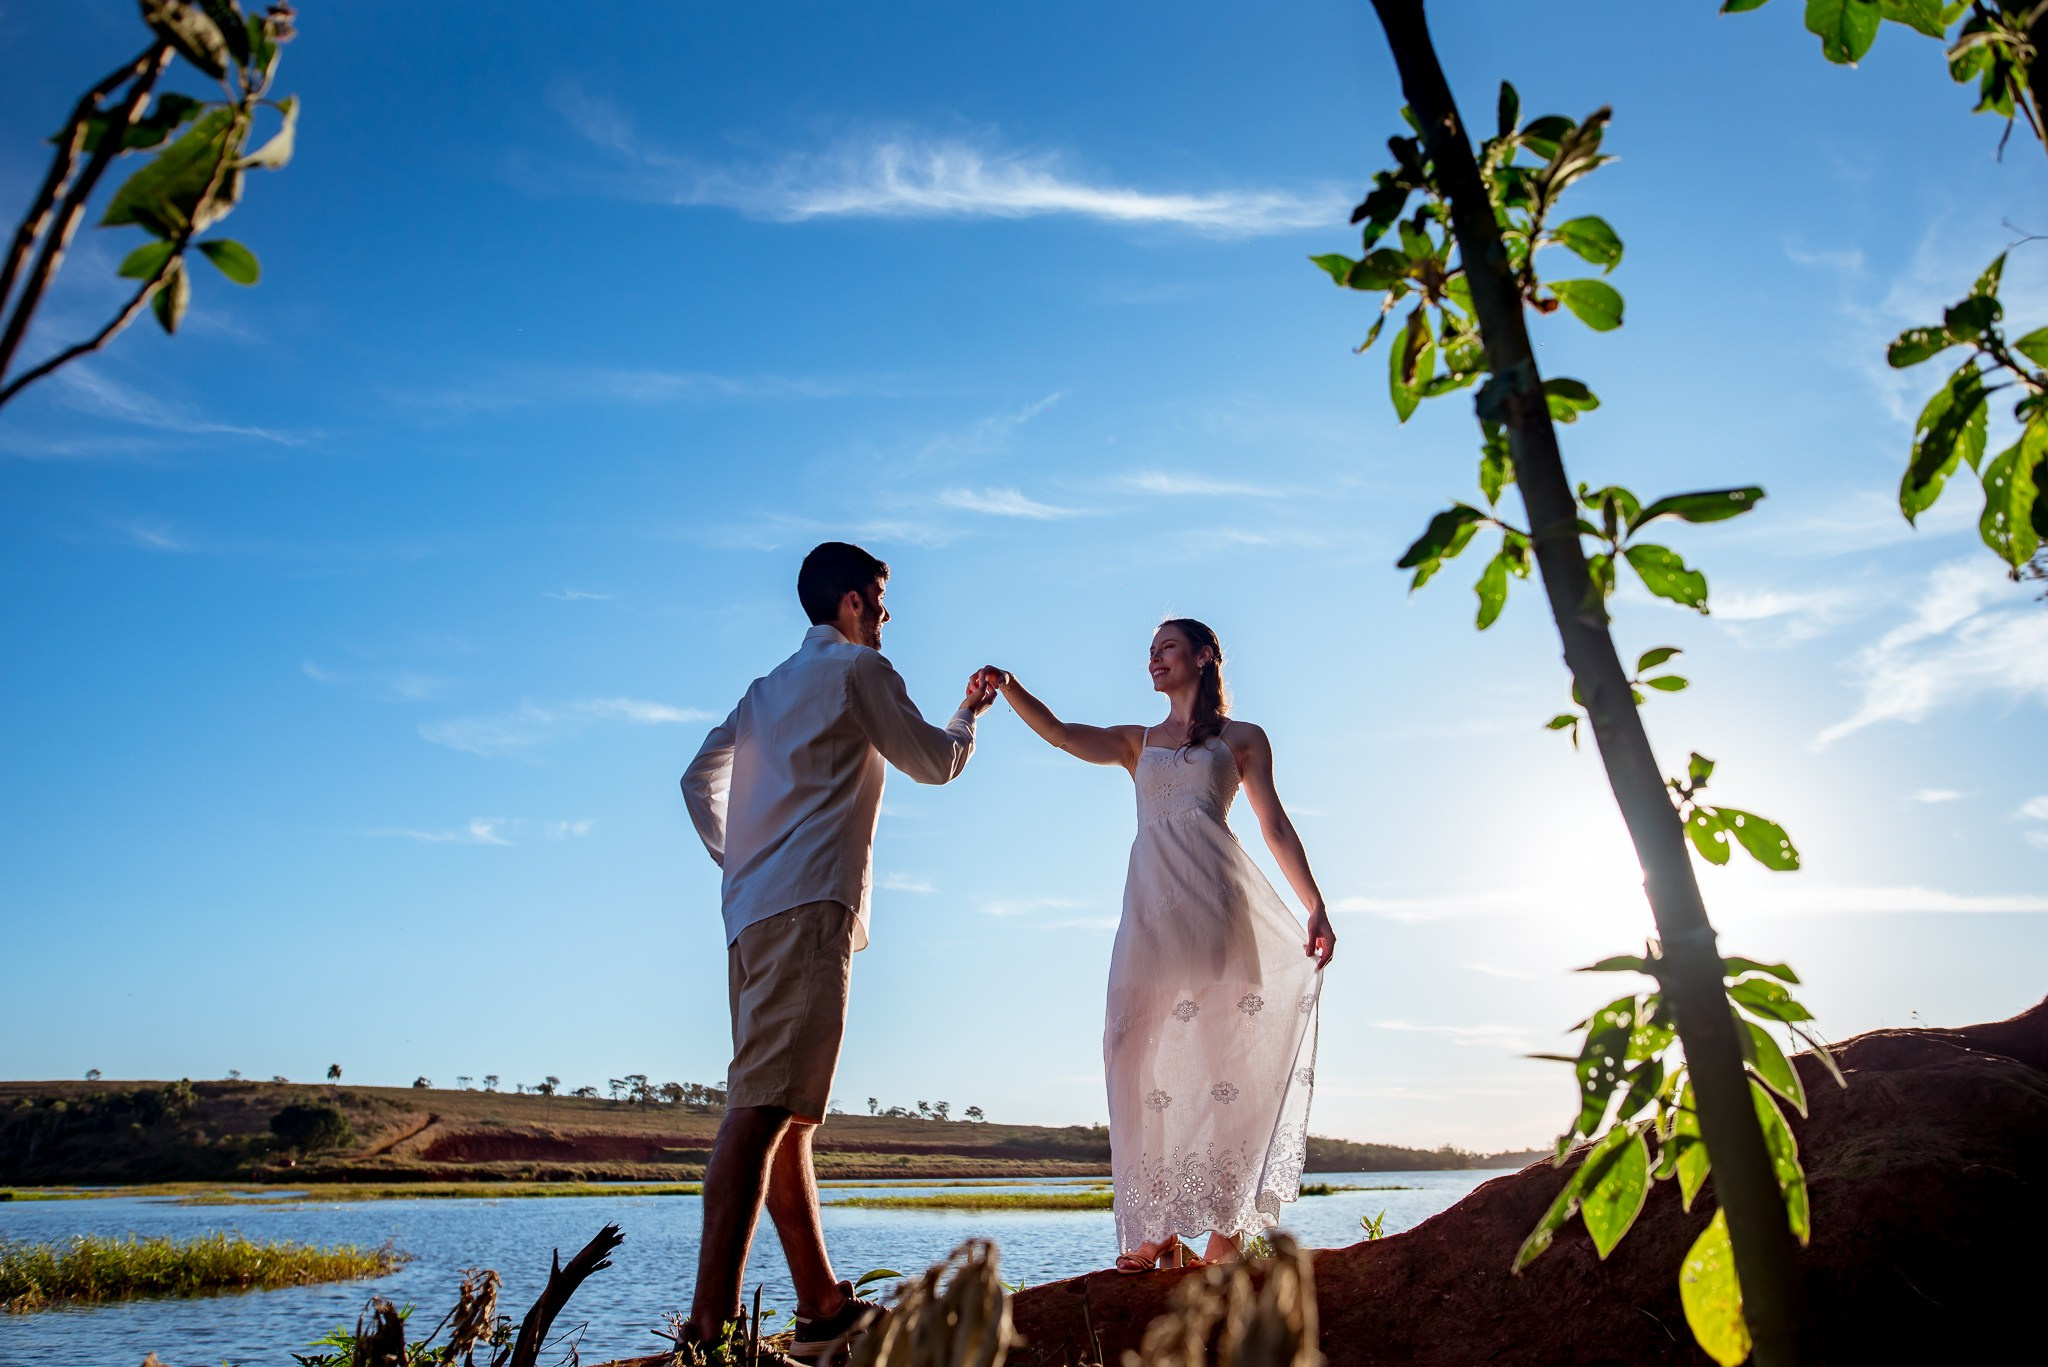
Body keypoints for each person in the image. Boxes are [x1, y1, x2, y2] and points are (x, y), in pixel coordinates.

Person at [679, 541, 999, 1363]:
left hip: (749, 916)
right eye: (882, 599)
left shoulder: (763, 690)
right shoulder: (859, 672)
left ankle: (821, 1303)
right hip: (810, 906)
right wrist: (968, 713)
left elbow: (695, 779)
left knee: (784, 1113)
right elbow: (935, 760)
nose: (888, 615)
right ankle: (704, 1336)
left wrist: (736, 857)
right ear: (852, 604)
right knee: (758, 1113)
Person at [985, 618, 1335, 1271]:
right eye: (1149, 651)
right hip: (1148, 919)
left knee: (1220, 1070)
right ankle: (1155, 1227)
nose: (1153, 659)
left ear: (1205, 656)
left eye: (1165, 647)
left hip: (1218, 914)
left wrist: (1314, 903)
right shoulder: (1135, 743)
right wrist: (1009, 686)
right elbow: (1061, 733)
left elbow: (1274, 824)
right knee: (1128, 1053)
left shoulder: (1243, 739)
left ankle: (1224, 1235)